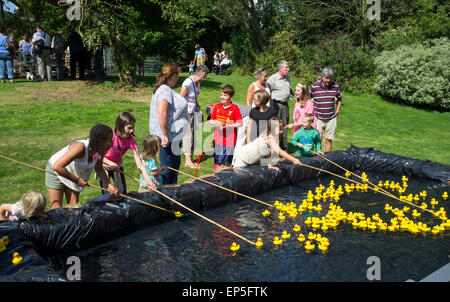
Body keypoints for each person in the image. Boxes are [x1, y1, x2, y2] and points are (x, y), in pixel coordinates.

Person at [45, 124, 119, 209]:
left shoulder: (100, 151)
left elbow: (98, 168)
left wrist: (109, 184)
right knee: (57, 208)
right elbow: (57, 167)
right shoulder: (80, 147)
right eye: (109, 140)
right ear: (100, 141)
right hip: (56, 172)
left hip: (74, 173)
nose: (112, 143)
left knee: (74, 206)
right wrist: (77, 180)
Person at [149, 63, 188, 184]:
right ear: (174, 75)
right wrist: (165, 135)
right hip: (167, 139)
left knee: (173, 168)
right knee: (168, 169)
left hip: (173, 137)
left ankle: (172, 193)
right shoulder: (164, 90)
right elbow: (162, 113)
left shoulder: (166, 90)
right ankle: (165, 195)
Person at [100, 112, 156, 194]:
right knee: (107, 193)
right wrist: (110, 163)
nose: (132, 130)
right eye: (129, 128)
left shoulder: (131, 141)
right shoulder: (110, 137)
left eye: (133, 128)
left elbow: (140, 165)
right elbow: (98, 156)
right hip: (104, 166)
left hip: (118, 167)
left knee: (122, 193)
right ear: (120, 126)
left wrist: (149, 182)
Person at [233, 116, 302, 171]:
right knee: (238, 175)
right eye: (279, 129)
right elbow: (279, 151)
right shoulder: (269, 138)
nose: (281, 131)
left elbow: (269, 151)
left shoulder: (273, 137)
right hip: (242, 158)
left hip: (251, 159)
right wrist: (293, 159)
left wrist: (269, 165)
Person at [180, 64, 209, 169]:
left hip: (194, 111)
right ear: (197, 74)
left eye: (204, 77)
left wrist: (197, 105)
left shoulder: (198, 83)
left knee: (194, 136)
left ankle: (191, 159)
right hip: (187, 113)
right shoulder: (188, 83)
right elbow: (181, 99)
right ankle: (188, 161)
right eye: (203, 77)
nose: (203, 79)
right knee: (188, 136)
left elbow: (193, 98)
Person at [209, 84, 243, 170]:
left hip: (229, 140)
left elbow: (240, 123)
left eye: (225, 95)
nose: (222, 97)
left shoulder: (235, 108)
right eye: (221, 95)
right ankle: (216, 174)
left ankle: (226, 177)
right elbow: (211, 120)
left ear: (231, 97)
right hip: (218, 139)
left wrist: (228, 125)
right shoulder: (217, 106)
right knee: (217, 161)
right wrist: (216, 123)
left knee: (226, 163)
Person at [309, 68, 342, 153]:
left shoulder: (335, 86)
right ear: (322, 77)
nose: (328, 80)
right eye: (326, 78)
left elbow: (340, 99)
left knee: (328, 140)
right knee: (318, 140)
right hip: (318, 118)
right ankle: (318, 159)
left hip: (331, 118)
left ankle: (327, 160)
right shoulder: (314, 86)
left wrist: (337, 110)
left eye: (330, 78)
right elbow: (309, 99)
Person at [267, 60, 292, 150]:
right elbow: (268, 92)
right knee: (275, 127)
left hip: (285, 105)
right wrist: (271, 107)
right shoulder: (272, 78)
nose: (288, 69)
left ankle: (283, 148)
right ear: (280, 68)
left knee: (284, 127)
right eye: (286, 68)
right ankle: (274, 149)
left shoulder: (287, 78)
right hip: (276, 105)